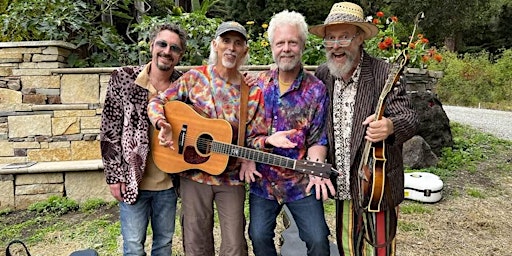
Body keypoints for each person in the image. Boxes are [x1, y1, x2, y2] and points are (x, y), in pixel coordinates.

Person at [310, 2, 419, 256]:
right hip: (344, 184)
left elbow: (410, 118)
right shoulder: (323, 75)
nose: (336, 45)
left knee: (379, 250)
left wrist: (390, 126)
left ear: (360, 38)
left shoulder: (383, 73)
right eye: (330, 38)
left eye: (344, 37)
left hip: (376, 186)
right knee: (348, 247)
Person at [147, 21, 262, 256]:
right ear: (215, 45)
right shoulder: (194, 78)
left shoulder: (252, 91)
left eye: (238, 43)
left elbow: (256, 134)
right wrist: (162, 123)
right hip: (193, 173)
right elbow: (157, 101)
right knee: (195, 242)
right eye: (226, 41)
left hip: (230, 178)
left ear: (245, 51)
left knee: (235, 245)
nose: (231, 48)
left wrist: (253, 155)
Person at [241, 10, 336, 256]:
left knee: (318, 239)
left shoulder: (316, 90)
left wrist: (317, 168)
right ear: (272, 47)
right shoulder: (257, 85)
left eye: (292, 42)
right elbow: (245, 134)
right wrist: (266, 141)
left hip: (301, 182)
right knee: (258, 235)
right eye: (280, 43)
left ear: (302, 46)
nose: (286, 48)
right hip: (264, 181)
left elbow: (318, 139)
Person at [100, 23, 187, 255]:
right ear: (151, 46)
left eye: (174, 48)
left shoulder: (185, 86)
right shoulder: (123, 78)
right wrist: (113, 176)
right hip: (131, 180)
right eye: (162, 44)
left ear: (180, 55)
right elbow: (109, 130)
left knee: (164, 244)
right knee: (133, 246)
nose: (167, 51)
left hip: (169, 184)